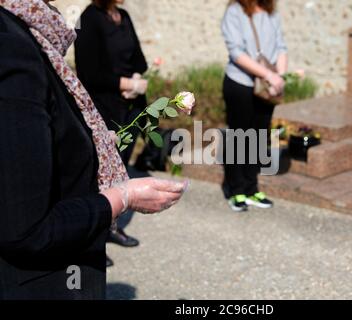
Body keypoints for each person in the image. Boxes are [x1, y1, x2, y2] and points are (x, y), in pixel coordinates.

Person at [0, 0, 186, 300]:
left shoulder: (29, 31)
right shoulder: (11, 44)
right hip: (43, 280)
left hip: (128, 102)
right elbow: (25, 228)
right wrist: (123, 196)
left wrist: (89, 140)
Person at [75, 0, 149, 263]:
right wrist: (124, 83)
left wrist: (137, 80)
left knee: (121, 170)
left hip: (130, 107)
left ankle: (112, 228)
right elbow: (88, 72)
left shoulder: (124, 16)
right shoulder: (89, 19)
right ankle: (93, 238)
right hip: (104, 108)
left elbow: (140, 59)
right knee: (100, 176)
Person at [221, 0, 288, 212]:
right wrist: (268, 74)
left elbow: (281, 47)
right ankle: (236, 190)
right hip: (240, 83)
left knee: (259, 137)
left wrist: (279, 77)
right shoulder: (235, 12)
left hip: (267, 87)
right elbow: (236, 52)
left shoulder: (270, 13)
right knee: (239, 137)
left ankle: (252, 188)